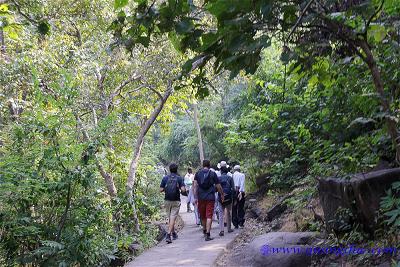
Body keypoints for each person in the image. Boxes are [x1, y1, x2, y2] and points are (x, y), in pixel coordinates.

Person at [193, 159, 224, 241]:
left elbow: (195, 186)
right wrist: (222, 194)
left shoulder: (198, 173)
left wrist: (195, 197)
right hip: (210, 197)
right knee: (209, 215)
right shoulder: (213, 174)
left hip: (201, 197)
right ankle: (208, 234)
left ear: (203, 165)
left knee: (203, 215)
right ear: (209, 165)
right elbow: (218, 186)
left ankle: (204, 230)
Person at [160, 163, 186, 244]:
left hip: (167, 200)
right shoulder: (179, 178)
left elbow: (160, 190)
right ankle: (169, 234)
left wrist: (166, 189)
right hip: (176, 200)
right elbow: (183, 190)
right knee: (173, 217)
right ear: (176, 169)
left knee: (170, 218)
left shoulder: (165, 178)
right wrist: (179, 188)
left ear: (169, 169)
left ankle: (174, 233)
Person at [216, 166, 235, 236]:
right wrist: (233, 198)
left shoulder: (218, 178)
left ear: (221, 172)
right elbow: (233, 189)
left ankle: (221, 230)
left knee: (221, 214)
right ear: (227, 171)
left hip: (220, 198)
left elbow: (216, 189)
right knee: (229, 213)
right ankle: (229, 228)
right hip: (229, 198)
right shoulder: (230, 178)